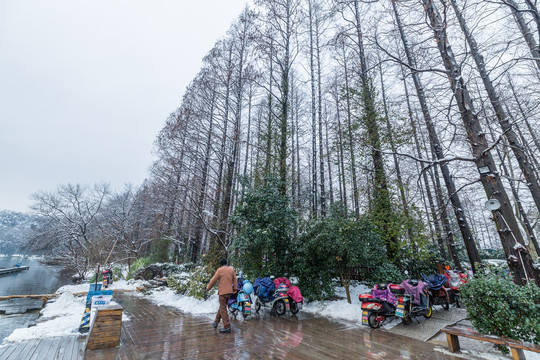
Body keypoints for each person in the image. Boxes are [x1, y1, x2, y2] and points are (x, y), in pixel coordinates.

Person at [206, 258, 237, 333]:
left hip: (222, 293)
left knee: (223, 309)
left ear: (221, 264)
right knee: (222, 307)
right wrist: (235, 289)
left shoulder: (219, 270)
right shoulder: (231, 270)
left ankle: (227, 326)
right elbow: (235, 280)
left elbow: (213, 280)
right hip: (229, 292)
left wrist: (208, 288)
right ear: (226, 263)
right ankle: (216, 322)